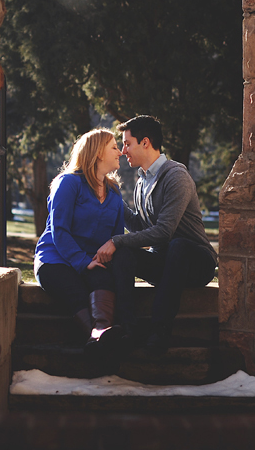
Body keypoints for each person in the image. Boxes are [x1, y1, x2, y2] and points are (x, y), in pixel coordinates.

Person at [94, 115, 218, 354]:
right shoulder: (142, 181)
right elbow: (143, 227)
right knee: (124, 254)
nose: (123, 151)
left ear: (146, 142)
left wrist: (115, 240)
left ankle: (159, 332)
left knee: (177, 246)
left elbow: (163, 232)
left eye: (127, 144)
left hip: (195, 262)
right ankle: (128, 330)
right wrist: (112, 198)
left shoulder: (176, 176)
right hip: (165, 262)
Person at [34, 128, 126, 357]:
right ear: (97, 153)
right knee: (75, 290)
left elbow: (114, 235)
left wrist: (106, 258)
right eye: (114, 147)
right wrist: (83, 262)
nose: (121, 152)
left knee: (103, 279)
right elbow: (60, 230)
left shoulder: (114, 193)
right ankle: (95, 336)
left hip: (92, 260)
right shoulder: (68, 183)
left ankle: (103, 332)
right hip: (56, 258)